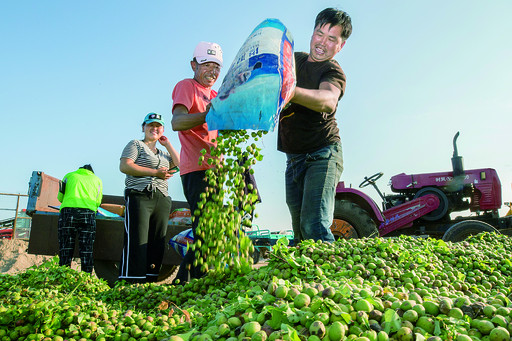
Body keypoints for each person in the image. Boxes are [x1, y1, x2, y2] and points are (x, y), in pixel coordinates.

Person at [277, 8, 352, 244]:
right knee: (300, 232)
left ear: (340, 46)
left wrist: (291, 93)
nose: (322, 43)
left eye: (332, 39)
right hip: (294, 159)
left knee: (313, 225)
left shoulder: (332, 71)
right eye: (319, 34)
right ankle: (307, 281)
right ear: (312, 34)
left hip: (322, 154)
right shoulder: (294, 61)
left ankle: (330, 279)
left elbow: (328, 100)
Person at [171, 41, 223, 284]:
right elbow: (177, 122)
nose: (212, 71)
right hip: (196, 168)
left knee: (209, 229)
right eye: (207, 65)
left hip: (217, 169)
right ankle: (194, 282)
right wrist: (206, 115)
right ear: (194, 65)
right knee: (204, 228)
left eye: (216, 67)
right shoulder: (187, 86)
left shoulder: (216, 95)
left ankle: (190, 280)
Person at [118, 112, 180, 283]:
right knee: (138, 239)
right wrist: (155, 172)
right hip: (140, 195)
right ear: (143, 127)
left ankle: (150, 280)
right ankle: (132, 280)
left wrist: (167, 145)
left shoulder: (164, 154)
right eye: (150, 125)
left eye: (158, 126)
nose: (154, 128)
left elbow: (180, 165)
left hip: (161, 197)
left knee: (157, 241)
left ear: (163, 130)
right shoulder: (136, 144)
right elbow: (125, 166)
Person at [57, 164, 103, 273]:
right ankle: (86, 279)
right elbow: (98, 202)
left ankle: (63, 277)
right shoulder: (97, 180)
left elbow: (60, 198)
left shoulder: (69, 176)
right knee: (87, 249)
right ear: (92, 172)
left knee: (66, 248)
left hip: (68, 213)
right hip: (88, 214)